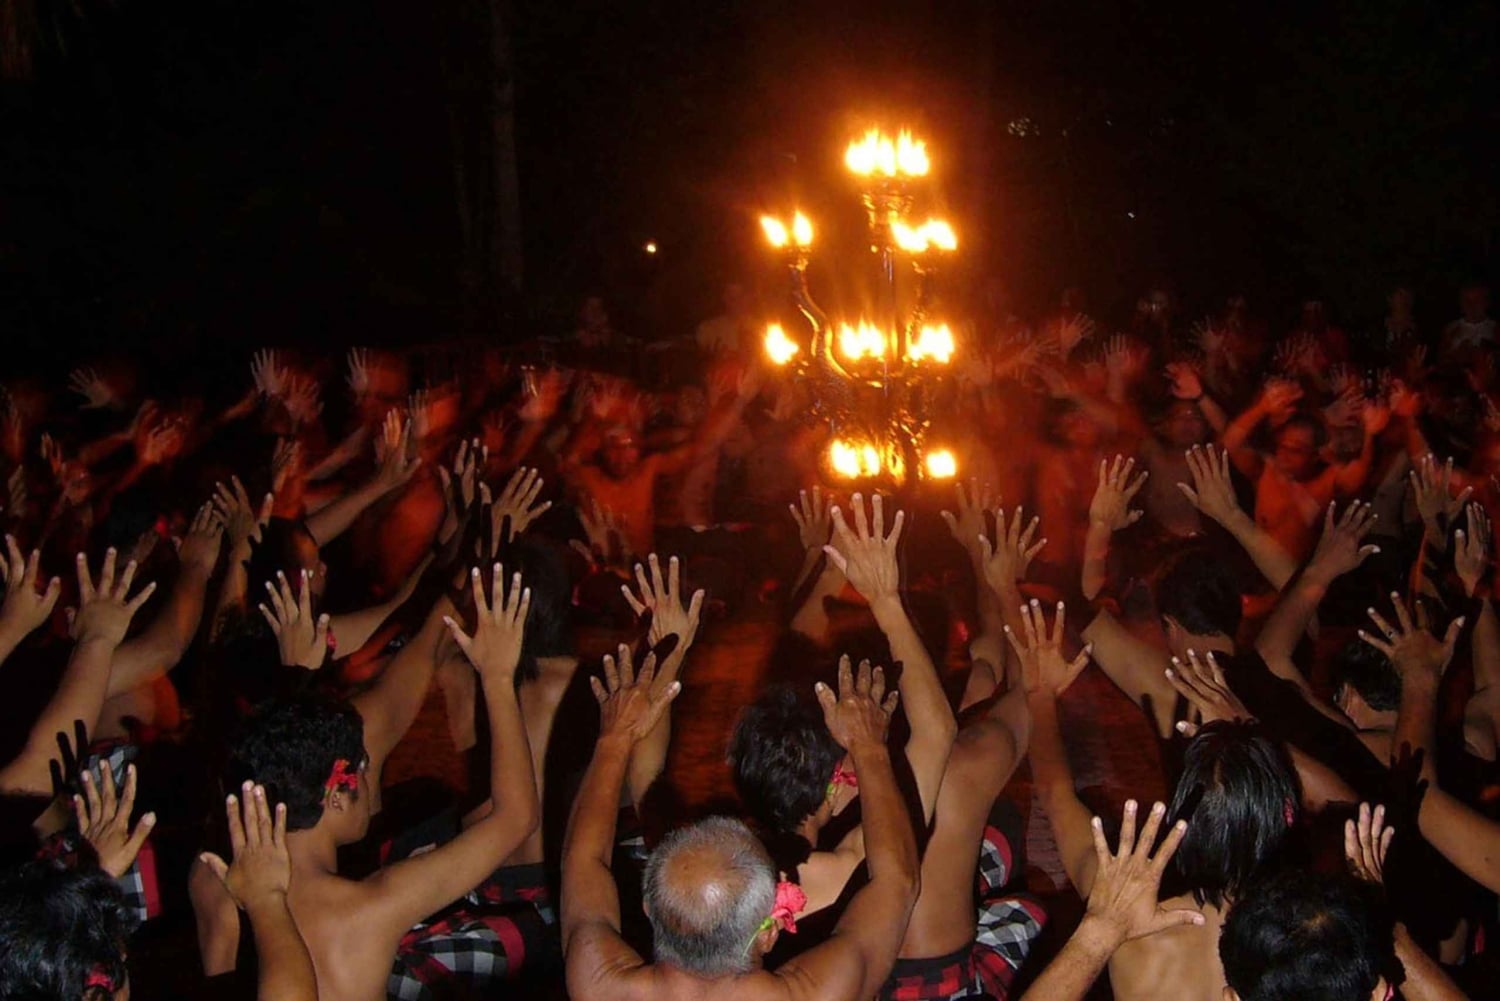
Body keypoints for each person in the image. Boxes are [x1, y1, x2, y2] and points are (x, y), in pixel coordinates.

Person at [220, 565, 539, 1001]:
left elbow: (271, 742)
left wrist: (297, 676)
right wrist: (499, 678)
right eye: (364, 766)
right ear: (333, 797)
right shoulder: (371, 906)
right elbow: (515, 818)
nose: (372, 779)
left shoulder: (218, 885)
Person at [563, 651, 921, 1001]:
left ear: (648, 907)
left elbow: (581, 862)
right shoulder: (818, 991)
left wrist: (614, 739)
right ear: (770, 932)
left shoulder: (599, 985)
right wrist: (869, 747)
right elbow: (897, 881)